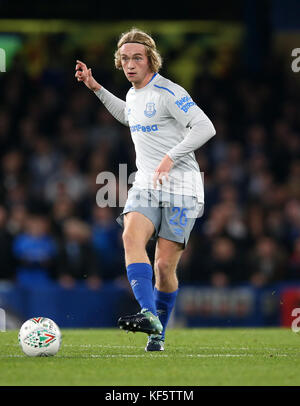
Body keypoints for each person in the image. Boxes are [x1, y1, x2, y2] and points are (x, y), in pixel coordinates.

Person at [75, 28, 216, 351]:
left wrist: (171, 156)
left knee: (164, 267)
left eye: (137, 57)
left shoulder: (168, 91)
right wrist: (95, 87)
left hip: (182, 186)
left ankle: (157, 334)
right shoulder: (134, 95)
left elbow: (206, 127)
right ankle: (149, 315)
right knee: (130, 236)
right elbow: (128, 116)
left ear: (151, 59)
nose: (130, 64)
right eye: (124, 58)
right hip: (147, 183)